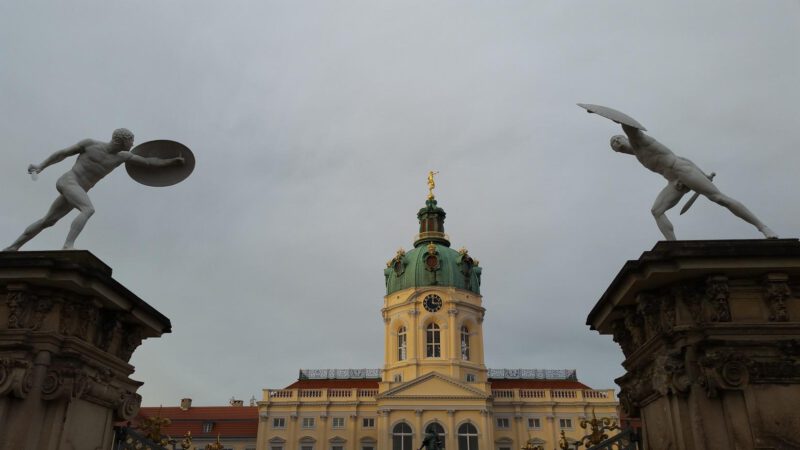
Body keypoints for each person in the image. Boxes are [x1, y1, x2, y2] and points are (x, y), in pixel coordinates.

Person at [3, 128, 184, 251]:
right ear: (122, 140)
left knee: (48, 221)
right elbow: (62, 154)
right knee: (88, 209)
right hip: (68, 181)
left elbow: (149, 162)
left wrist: (173, 162)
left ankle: (13, 247)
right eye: (131, 140)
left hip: (79, 189)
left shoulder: (123, 156)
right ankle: (68, 245)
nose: (133, 143)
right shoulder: (90, 144)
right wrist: (41, 166)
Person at [610, 124, 777, 240]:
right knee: (656, 211)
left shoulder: (641, 141)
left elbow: (630, 127)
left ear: (625, 138)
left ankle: (763, 227)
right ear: (619, 152)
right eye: (614, 145)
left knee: (719, 198)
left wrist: (614, 119)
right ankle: (673, 246)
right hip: (674, 180)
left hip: (682, 170)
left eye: (617, 139)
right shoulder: (640, 157)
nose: (617, 143)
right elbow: (684, 158)